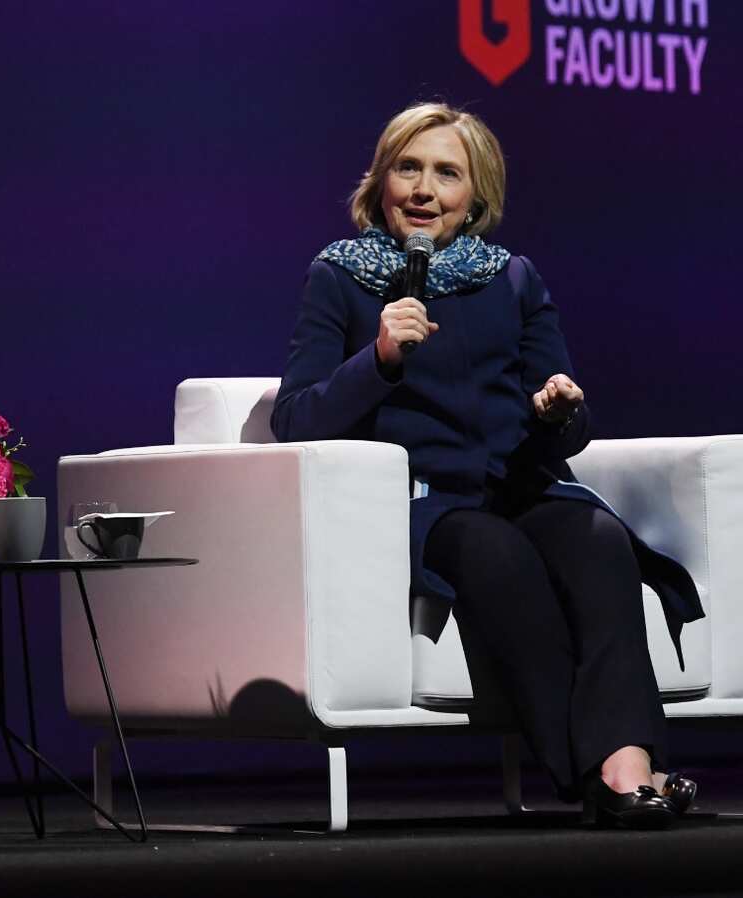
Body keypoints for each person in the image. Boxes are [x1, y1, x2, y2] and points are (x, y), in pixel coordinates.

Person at [271, 102, 703, 829]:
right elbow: (296, 419)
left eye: (447, 173)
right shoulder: (339, 278)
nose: (424, 189)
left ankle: (623, 765)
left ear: (477, 196)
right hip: (430, 503)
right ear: (381, 182)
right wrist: (377, 359)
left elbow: (567, 423)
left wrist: (560, 410)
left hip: (523, 483)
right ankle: (608, 775)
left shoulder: (513, 279)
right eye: (409, 168)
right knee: (496, 556)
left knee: (599, 543)